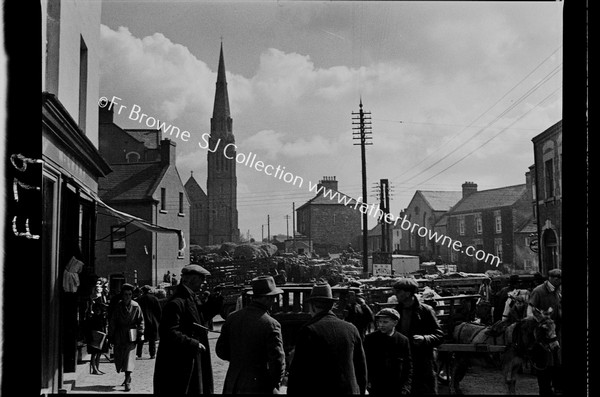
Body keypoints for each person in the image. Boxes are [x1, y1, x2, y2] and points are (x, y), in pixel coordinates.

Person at [287, 282, 368, 395]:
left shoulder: (309, 330)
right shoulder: (351, 329)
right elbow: (361, 368)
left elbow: (298, 372)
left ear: (313, 306)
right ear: (331, 305)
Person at [216, 275, 286, 394]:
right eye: (274, 298)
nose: (274, 301)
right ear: (267, 298)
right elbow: (277, 361)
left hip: (233, 382)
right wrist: (273, 384)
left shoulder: (232, 318)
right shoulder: (271, 324)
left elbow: (221, 351)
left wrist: (239, 360)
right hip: (259, 385)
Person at [153, 264, 216, 395]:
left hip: (189, 359)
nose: (203, 284)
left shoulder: (190, 298)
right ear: (191, 280)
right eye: (201, 280)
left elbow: (200, 319)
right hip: (179, 363)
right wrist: (192, 343)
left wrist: (215, 302)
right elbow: (168, 332)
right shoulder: (176, 302)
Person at [393, 278, 444, 395]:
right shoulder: (396, 311)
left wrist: (424, 339)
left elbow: (439, 336)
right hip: (402, 361)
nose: (396, 295)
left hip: (422, 361)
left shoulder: (425, 311)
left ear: (408, 293)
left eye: (398, 292)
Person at [528, 268, 562, 395]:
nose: (559, 280)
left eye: (560, 278)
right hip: (542, 334)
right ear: (551, 278)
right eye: (557, 278)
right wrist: (539, 323)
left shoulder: (558, 292)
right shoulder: (538, 291)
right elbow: (530, 310)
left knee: (557, 361)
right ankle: (545, 390)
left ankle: (557, 387)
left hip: (555, 331)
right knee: (544, 363)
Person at [364, 308, 412, 395]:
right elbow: (364, 363)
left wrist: (406, 386)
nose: (381, 325)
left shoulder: (403, 340)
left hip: (396, 386)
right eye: (380, 322)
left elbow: (408, 365)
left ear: (395, 323)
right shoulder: (370, 339)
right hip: (376, 386)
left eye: (385, 322)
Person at [108, 283, 145, 392]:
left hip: (131, 334)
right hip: (119, 334)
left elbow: (141, 320)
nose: (127, 296)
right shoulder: (118, 306)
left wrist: (141, 332)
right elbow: (113, 322)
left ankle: (128, 380)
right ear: (122, 295)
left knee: (129, 357)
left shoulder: (135, 306)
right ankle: (126, 377)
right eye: (125, 294)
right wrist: (111, 336)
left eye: (129, 294)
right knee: (120, 358)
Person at [84, 278, 109, 375]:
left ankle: (97, 367)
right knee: (95, 347)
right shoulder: (96, 297)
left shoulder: (103, 296)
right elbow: (95, 309)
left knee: (100, 347)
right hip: (96, 324)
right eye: (105, 286)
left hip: (101, 322)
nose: (107, 288)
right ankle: (94, 368)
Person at [135, 285, 162, 359]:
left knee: (141, 338)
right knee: (152, 339)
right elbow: (158, 311)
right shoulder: (154, 299)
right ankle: (152, 354)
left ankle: (139, 354)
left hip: (142, 321)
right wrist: (159, 321)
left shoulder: (139, 299)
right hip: (152, 321)